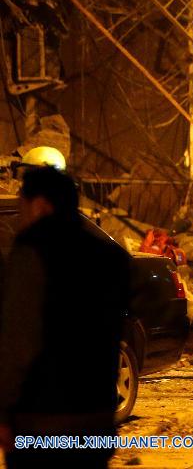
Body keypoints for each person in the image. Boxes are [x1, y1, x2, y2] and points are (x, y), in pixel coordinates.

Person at [0, 165, 130, 468]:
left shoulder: (32, 251)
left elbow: (19, 340)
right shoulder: (112, 258)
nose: (21, 218)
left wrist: (4, 412)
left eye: (22, 207)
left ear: (41, 205)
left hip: (41, 421)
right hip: (95, 419)